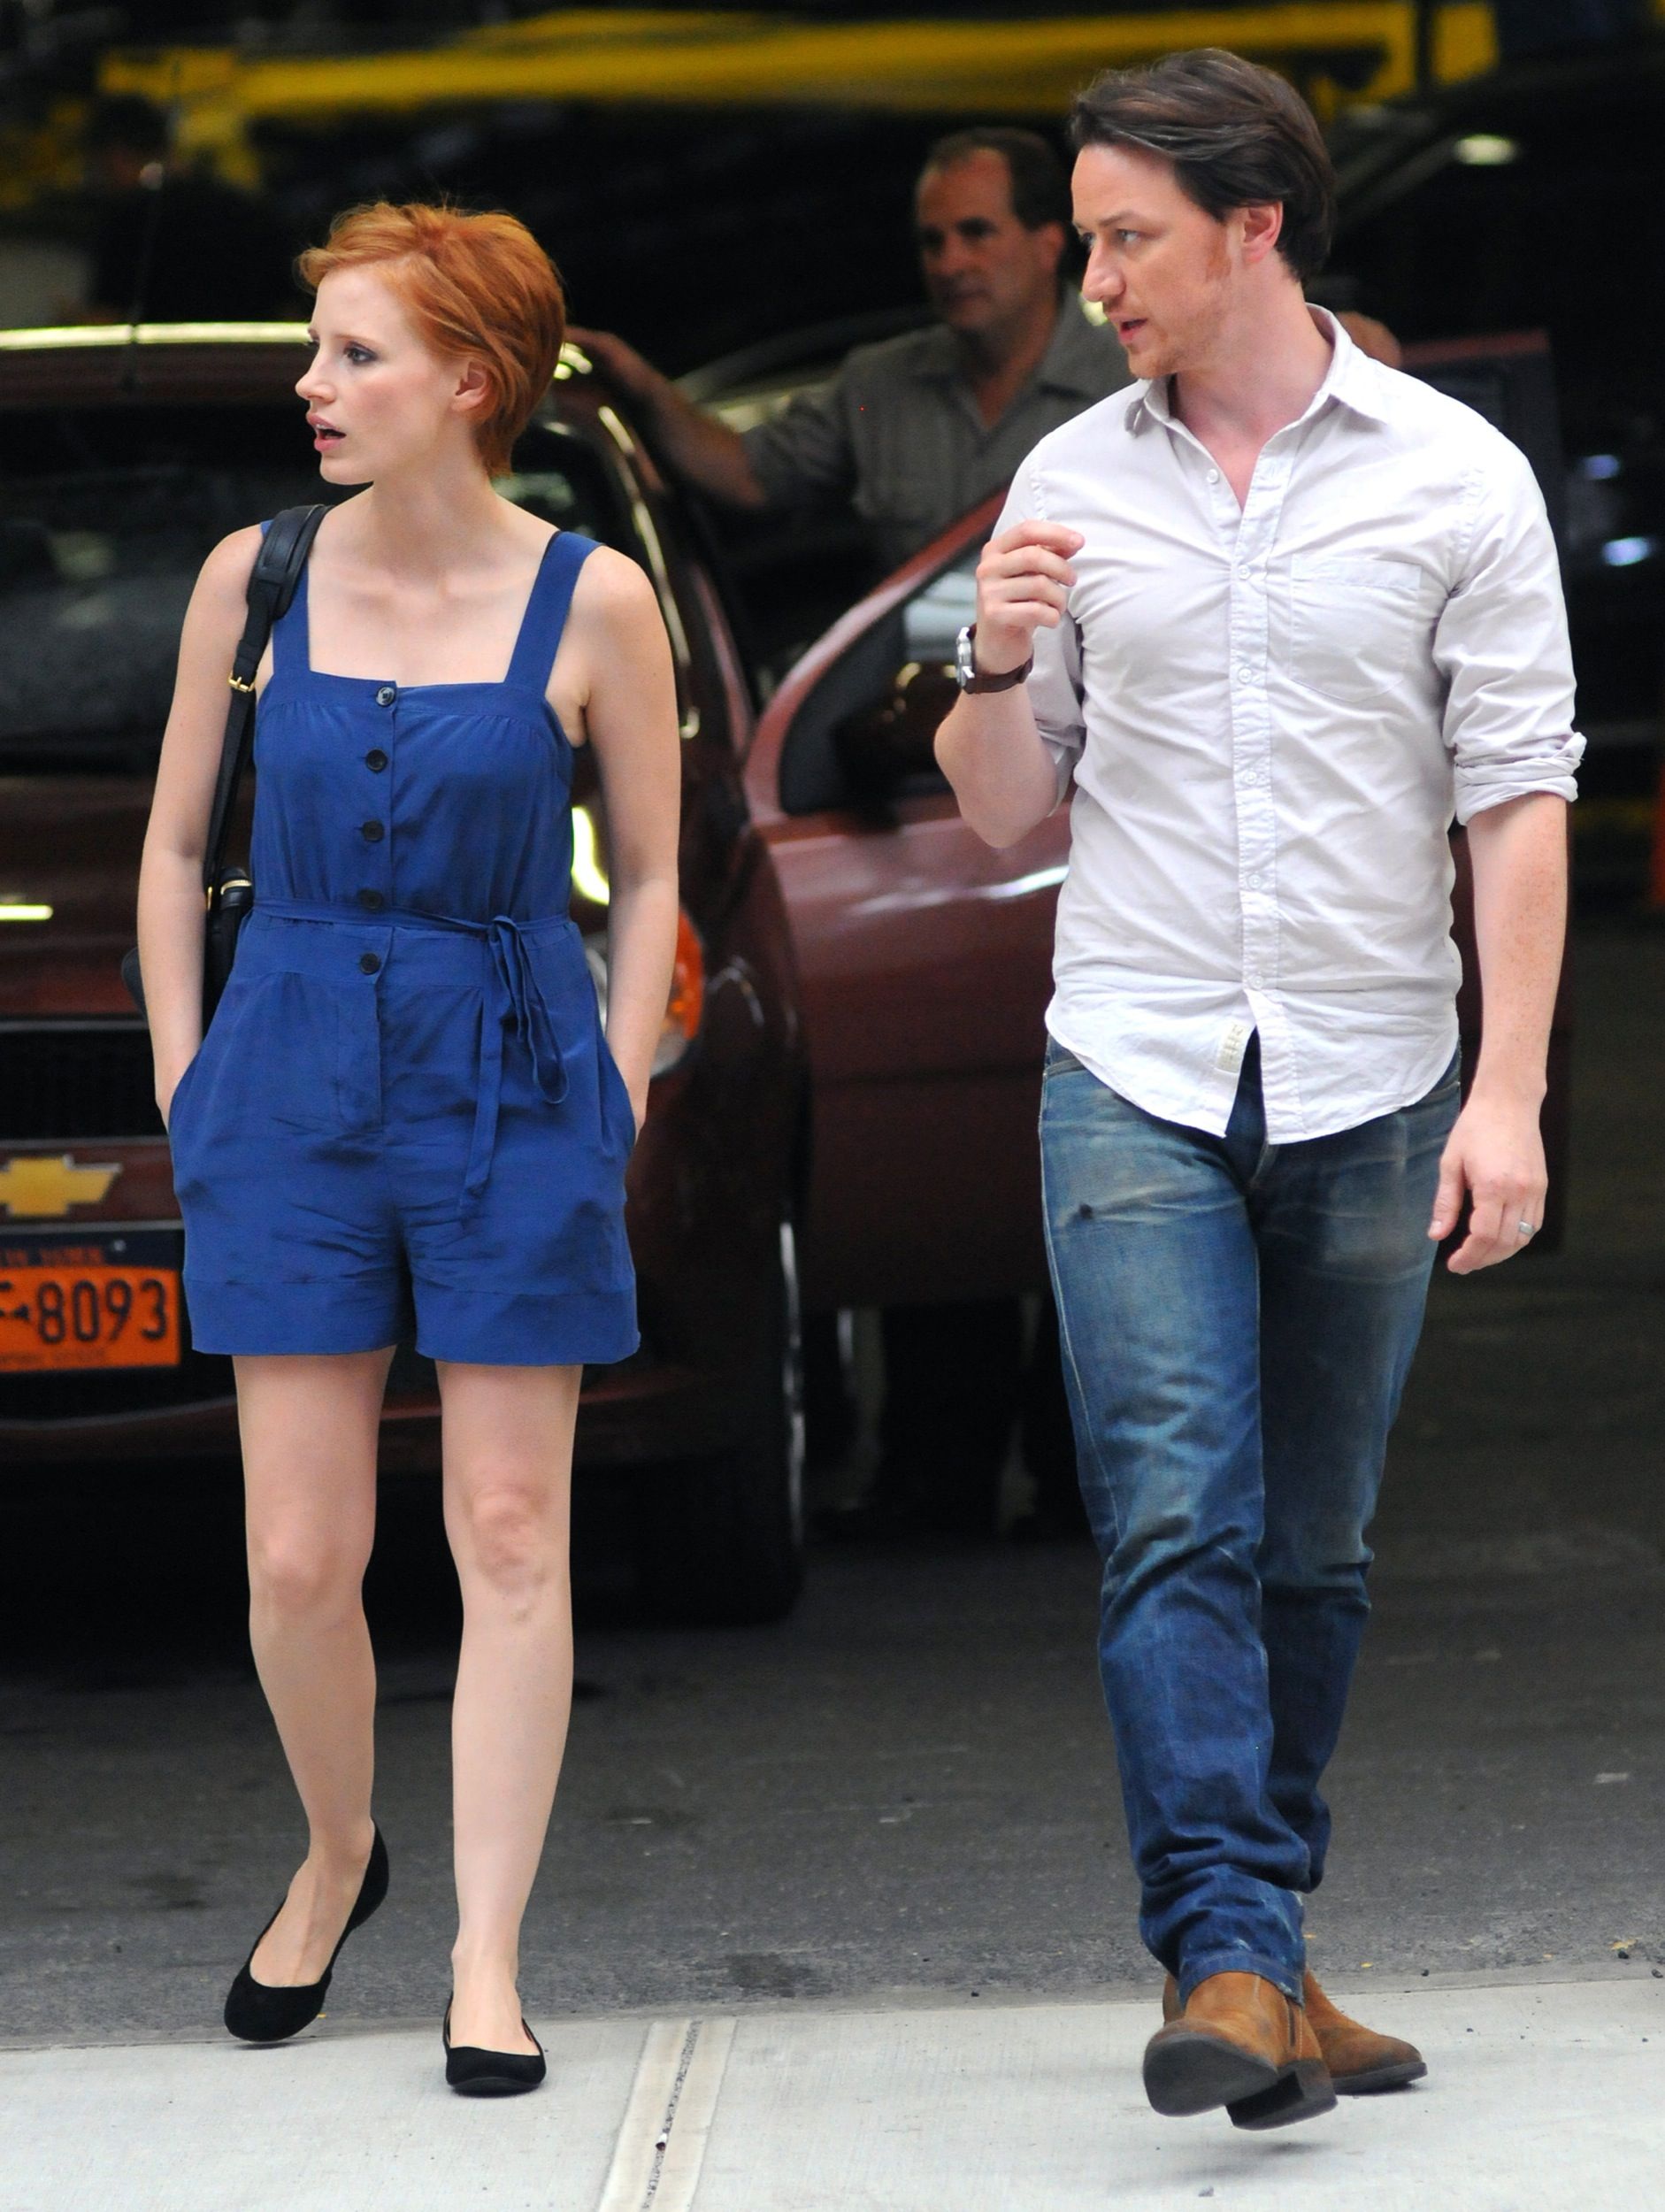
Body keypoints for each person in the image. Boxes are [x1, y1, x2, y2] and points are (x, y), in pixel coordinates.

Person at [936, 50, 1579, 2131]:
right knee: (1170, 1516)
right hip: (1123, 1062)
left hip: (1376, 1077)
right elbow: (997, 821)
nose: (1090, 275)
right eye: (1085, 233)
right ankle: (1216, 1940)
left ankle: (1267, 1955)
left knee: (1307, 1548)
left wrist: (1511, 1095)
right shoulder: (1070, 489)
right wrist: (987, 668)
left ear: (1250, 226)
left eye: (1124, 234)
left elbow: (1512, 800)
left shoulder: (1450, 477)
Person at [135, 202, 679, 2093]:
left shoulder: (593, 596)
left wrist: (610, 1084)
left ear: (470, 378)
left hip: (510, 1068)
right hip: (283, 1071)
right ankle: (339, 1847)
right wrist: (188, 1070)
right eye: (319, 350)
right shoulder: (253, 577)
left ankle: (486, 1951)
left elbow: (659, 868)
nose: (313, 383)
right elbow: (168, 841)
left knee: (509, 1526)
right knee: (298, 1553)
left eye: (352, 353)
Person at [81, 94, 299, 323]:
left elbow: (107, 317)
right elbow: (289, 307)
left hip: (159, 357)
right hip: (249, 355)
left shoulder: (128, 223)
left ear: (115, 156)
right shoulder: (249, 209)